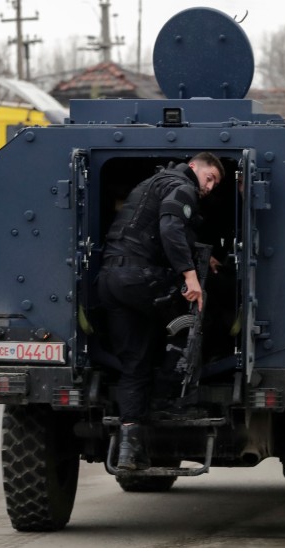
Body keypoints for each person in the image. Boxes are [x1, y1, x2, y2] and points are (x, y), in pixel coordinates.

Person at [96, 152, 224, 470]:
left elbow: (153, 226)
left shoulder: (152, 183)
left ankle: (130, 448)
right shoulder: (183, 186)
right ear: (195, 167)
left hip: (111, 281)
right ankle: (171, 400)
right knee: (188, 316)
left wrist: (198, 253)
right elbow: (170, 227)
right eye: (210, 178)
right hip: (140, 277)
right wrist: (190, 275)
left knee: (134, 364)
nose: (209, 188)